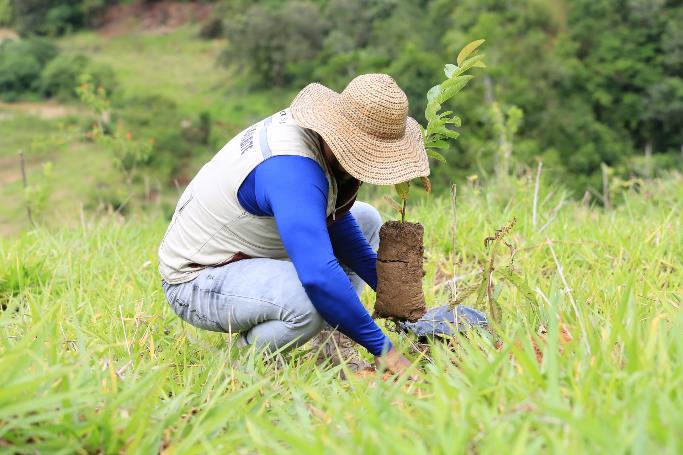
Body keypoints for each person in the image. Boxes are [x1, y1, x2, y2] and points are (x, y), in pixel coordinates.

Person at [158, 74, 430, 376]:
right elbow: (318, 276)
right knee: (307, 304)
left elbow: (336, 227)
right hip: (198, 278)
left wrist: (403, 303)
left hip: (252, 250)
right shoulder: (293, 169)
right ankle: (237, 365)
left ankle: (334, 346)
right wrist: (384, 350)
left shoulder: (316, 142)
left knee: (366, 219)